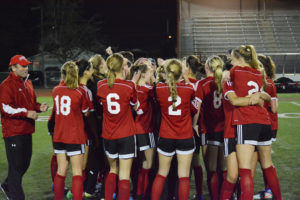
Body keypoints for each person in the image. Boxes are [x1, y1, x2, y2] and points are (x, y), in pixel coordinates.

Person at [229, 45, 281, 200]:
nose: (231, 63)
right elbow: (266, 94)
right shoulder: (259, 73)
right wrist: (260, 96)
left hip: (247, 122)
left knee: (245, 170)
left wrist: (225, 73)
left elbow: (234, 98)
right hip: (264, 122)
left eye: (232, 60)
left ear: (239, 59)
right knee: (268, 166)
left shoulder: (235, 71)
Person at [0, 55, 49, 200]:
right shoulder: (6, 85)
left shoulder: (28, 83)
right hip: (13, 131)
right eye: (22, 66)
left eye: (26, 65)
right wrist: (26, 113)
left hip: (27, 130)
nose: (26, 68)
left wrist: (40, 107)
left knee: (24, 165)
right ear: (13, 68)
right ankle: (16, 196)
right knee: (16, 168)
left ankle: (7, 185)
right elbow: (4, 108)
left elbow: (31, 103)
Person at [151, 59, 197, 200]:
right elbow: (194, 106)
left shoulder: (159, 88)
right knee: (183, 176)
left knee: (161, 173)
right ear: (180, 72)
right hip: (185, 136)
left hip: (166, 136)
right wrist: (185, 78)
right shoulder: (189, 88)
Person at [97, 53, 138, 200]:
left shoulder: (100, 85)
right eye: (126, 65)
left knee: (112, 170)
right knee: (125, 175)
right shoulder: (129, 85)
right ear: (121, 67)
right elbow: (135, 106)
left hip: (108, 135)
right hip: (126, 134)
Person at [52, 61, 90, 200]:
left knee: (61, 170)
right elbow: (86, 112)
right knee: (77, 172)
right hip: (74, 136)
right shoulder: (80, 91)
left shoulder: (55, 90)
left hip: (59, 136)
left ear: (63, 74)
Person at [253, 55, 279, 200]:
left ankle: (268, 191)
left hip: (264, 124)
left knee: (263, 161)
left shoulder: (265, 83)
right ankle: (269, 191)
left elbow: (273, 109)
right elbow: (275, 108)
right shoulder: (269, 82)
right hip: (270, 125)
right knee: (264, 160)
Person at [130, 64, 155, 199]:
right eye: (151, 73)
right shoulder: (148, 90)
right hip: (146, 130)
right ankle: (142, 194)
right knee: (147, 165)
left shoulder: (132, 88)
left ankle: (137, 193)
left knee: (138, 165)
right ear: (143, 74)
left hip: (134, 130)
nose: (153, 75)